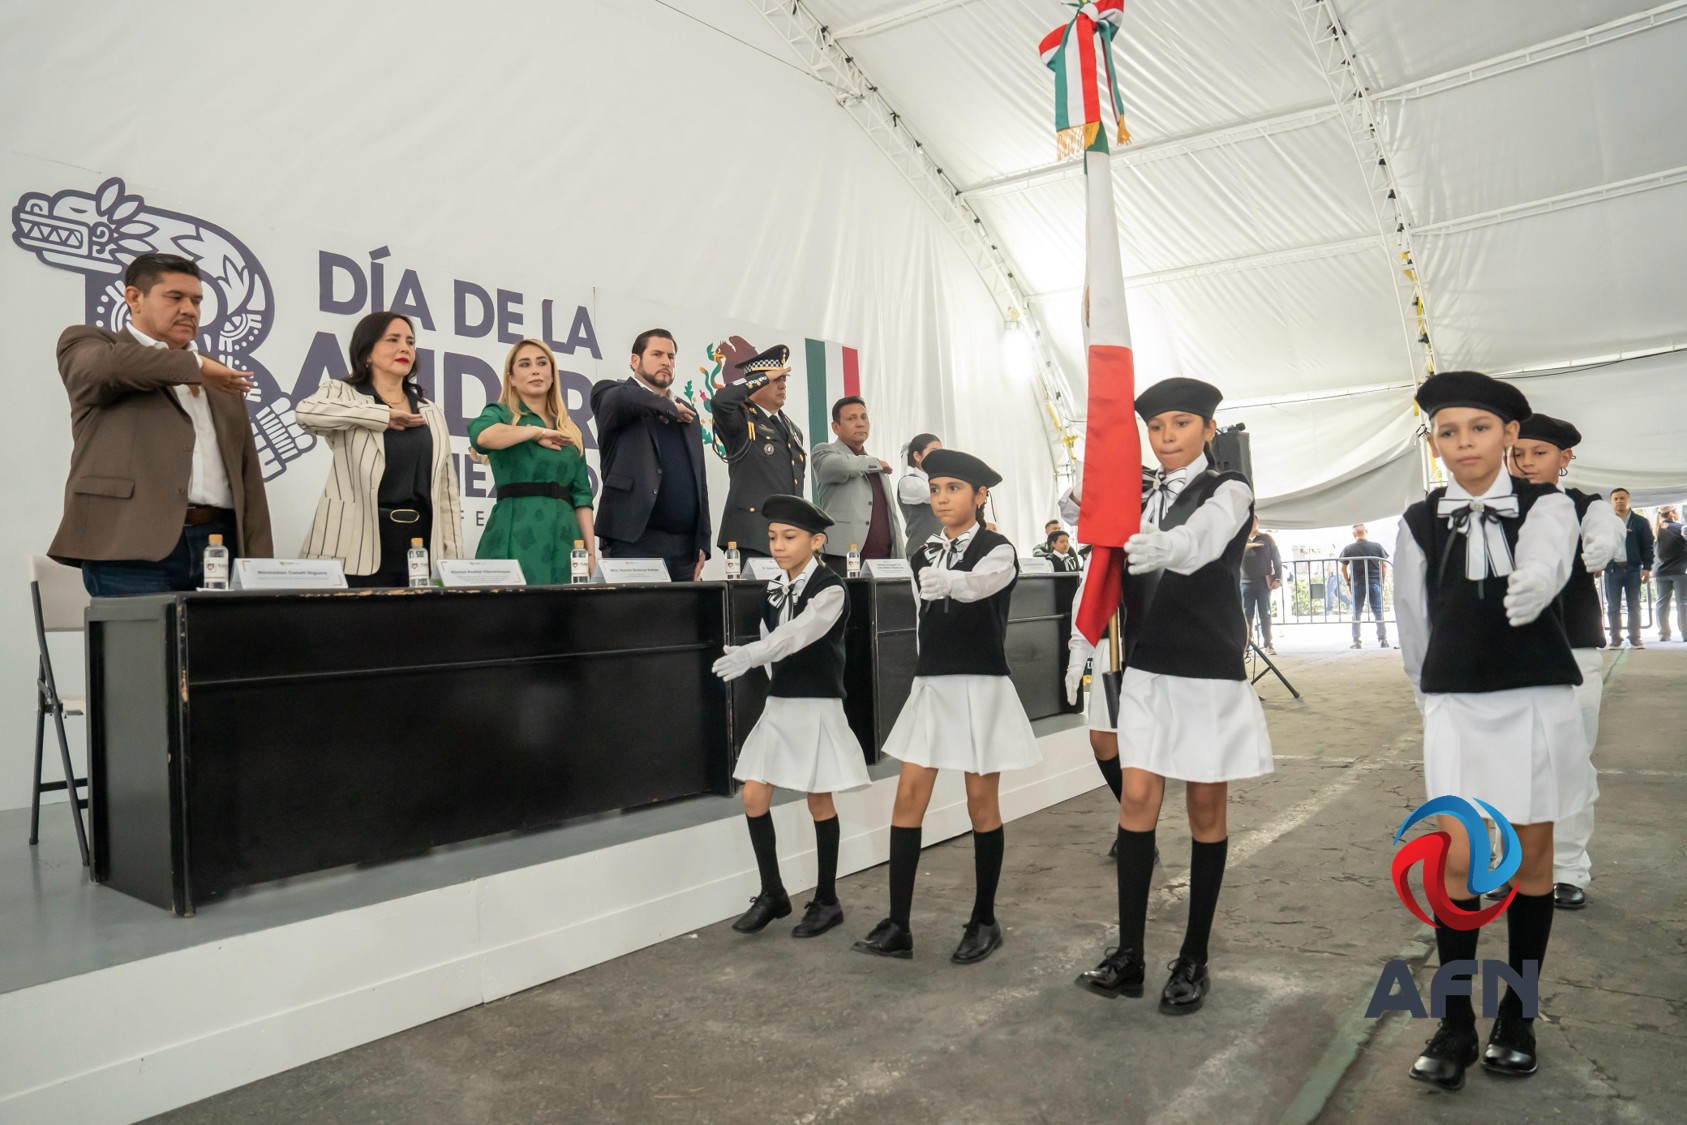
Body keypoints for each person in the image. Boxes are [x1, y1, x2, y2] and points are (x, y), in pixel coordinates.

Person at [1394, 371, 1592, 1090]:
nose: (1464, 443)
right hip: (1457, 707)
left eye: (1479, 427)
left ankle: (1518, 1011)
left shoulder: (1547, 504)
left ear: (1509, 433)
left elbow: (1547, 551)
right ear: (1434, 442)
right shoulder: (1419, 521)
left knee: (1531, 859)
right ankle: (1453, 1021)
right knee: (1457, 861)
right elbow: (1411, 620)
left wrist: (1536, 580)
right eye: (1447, 431)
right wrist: (1429, 701)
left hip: (1533, 700)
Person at [1073, 378, 1273, 1017]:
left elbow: (1207, 538)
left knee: (1206, 808)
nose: (1166, 438)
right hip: (1148, 663)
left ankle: (1194, 957)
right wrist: (1083, 637)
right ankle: (1129, 954)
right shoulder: (1134, 493)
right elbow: (1099, 559)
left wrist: (1170, 544)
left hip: (1207, 665)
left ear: (1209, 430)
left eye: (1181, 424)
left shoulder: (1229, 488)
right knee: (1136, 799)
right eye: (1156, 427)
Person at [852, 450, 1038, 965]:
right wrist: (922, 673)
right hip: (933, 684)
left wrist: (951, 581)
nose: (941, 499)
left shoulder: (999, 549)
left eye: (953, 489)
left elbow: (983, 585)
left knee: (981, 803)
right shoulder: (921, 555)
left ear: (980, 496)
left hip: (980, 685)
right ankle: (899, 924)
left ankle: (984, 920)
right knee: (908, 797)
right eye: (935, 489)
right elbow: (922, 622)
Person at [50, 252, 273, 593]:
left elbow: (247, 476)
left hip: (220, 546)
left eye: (196, 300)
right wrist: (195, 366)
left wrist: (259, 564)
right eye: (175, 297)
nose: (189, 310)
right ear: (134, 298)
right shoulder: (90, 344)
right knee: (138, 633)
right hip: (129, 550)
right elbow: (105, 368)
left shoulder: (217, 375)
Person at [711, 495, 870, 939]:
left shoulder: (831, 589)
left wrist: (754, 654)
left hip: (817, 705)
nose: (778, 546)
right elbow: (772, 643)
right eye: (773, 537)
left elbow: (797, 635)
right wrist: (764, 664)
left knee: (819, 800)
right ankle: (773, 892)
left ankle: (827, 900)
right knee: (753, 795)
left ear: (816, 541)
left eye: (789, 537)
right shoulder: (774, 588)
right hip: (781, 703)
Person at [1509, 414, 1626, 911]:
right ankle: (1507, 865)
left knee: (1571, 762)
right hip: (1505, 655)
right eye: (1517, 453)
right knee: (1506, 764)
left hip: (1571, 651)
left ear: (1565, 457)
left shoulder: (1584, 505)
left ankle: (1568, 868)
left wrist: (1605, 539)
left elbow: (1606, 526)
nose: (1526, 462)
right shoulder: (1491, 509)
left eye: (1539, 452)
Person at [296, 312, 462, 587]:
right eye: (392, 340)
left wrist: (453, 562)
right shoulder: (343, 392)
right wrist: (381, 415)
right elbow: (305, 413)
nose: (404, 348)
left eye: (410, 342)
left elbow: (447, 493)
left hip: (420, 544)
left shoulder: (430, 411)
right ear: (367, 353)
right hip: (352, 545)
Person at [467, 339, 595, 583]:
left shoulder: (570, 429)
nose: (535, 370)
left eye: (542, 363)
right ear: (512, 378)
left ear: (552, 374)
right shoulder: (500, 413)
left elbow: (581, 496)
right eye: (525, 364)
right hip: (516, 529)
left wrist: (589, 553)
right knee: (517, 605)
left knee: (566, 606)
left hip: (565, 535)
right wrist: (535, 432)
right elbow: (481, 436)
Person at [591, 329, 710, 580]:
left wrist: (703, 541)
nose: (666, 361)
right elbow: (623, 397)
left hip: (685, 548)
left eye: (671, 356)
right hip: (633, 542)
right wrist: (667, 406)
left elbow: (700, 481)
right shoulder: (610, 394)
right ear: (635, 361)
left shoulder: (687, 412)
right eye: (657, 354)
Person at [712, 345, 806, 558]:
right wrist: (763, 377)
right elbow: (719, 401)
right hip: (752, 536)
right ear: (756, 382)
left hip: (788, 538)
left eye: (784, 379)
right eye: (775, 379)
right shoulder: (741, 418)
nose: (782, 384)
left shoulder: (793, 429)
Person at [812, 396, 903, 568]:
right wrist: (875, 462)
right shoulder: (824, 451)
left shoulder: (874, 464)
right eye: (851, 418)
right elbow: (843, 466)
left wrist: (900, 558)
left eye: (864, 417)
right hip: (844, 557)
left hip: (885, 562)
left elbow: (892, 517)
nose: (860, 423)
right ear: (836, 427)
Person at [1602, 488, 1653, 648]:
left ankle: (1635, 638)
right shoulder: (1605, 522)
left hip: (1633, 569)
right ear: (1611, 502)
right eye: (1616, 499)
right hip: (1612, 569)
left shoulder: (1640, 522)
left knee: (1634, 605)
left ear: (1628, 500)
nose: (1619, 501)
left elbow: (1648, 546)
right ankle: (1615, 638)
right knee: (1613, 606)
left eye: (1622, 498)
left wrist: (1647, 567)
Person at [1340, 524, 1390, 649]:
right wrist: (1382, 581)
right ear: (1366, 531)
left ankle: (1356, 641)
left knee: (1356, 612)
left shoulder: (1348, 549)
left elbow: (1343, 568)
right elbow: (1384, 565)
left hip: (1357, 583)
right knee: (1378, 611)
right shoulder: (1377, 546)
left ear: (1354, 534)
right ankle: (1383, 639)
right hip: (1374, 582)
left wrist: (1348, 582)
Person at [897, 432, 942, 556]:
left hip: (944, 554)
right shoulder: (908, 482)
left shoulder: (939, 482)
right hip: (919, 555)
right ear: (917, 456)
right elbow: (932, 495)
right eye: (933, 451)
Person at [1240, 517, 1281, 654]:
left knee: (1265, 613)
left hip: (1263, 582)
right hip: (1245, 582)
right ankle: (1246, 644)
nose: (1252, 523)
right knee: (1247, 614)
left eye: (1254, 521)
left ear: (1258, 523)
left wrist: (1278, 578)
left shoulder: (1266, 538)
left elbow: (1276, 559)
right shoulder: (1239, 539)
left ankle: (1268, 644)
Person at [1654, 506, 1686, 641]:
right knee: (1683, 602)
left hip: (1660, 571)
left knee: (1661, 603)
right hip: (1680, 571)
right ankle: (1685, 634)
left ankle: (1664, 634)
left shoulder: (1655, 529)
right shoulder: (1681, 528)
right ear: (1672, 513)